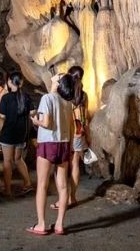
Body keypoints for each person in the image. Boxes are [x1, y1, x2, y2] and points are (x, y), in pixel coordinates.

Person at [28, 74, 75, 236]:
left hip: (48, 143)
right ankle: (60, 224)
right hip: (64, 143)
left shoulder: (47, 98)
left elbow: (46, 123)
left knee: (42, 184)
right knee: (62, 186)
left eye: (57, 76)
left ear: (58, 82)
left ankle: (41, 225)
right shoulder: (68, 103)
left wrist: (35, 121)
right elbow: (71, 128)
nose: (54, 75)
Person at [51, 66, 88, 209]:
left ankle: (62, 200)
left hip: (65, 132)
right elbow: (85, 118)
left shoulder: (65, 93)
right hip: (78, 132)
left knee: (61, 166)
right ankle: (72, 197)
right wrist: (87, 136)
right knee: (75, 165)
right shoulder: (83, 95)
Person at [0, 71, 34, 197]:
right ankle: (28, 183)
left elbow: (2, 116)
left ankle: (7, 190)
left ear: (9, 82)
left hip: (8, 133)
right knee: (18, 159)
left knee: (7, 161)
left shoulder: (6, 98)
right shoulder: (27, 97)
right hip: (21, 134)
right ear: (22, 82)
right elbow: (32, 113)